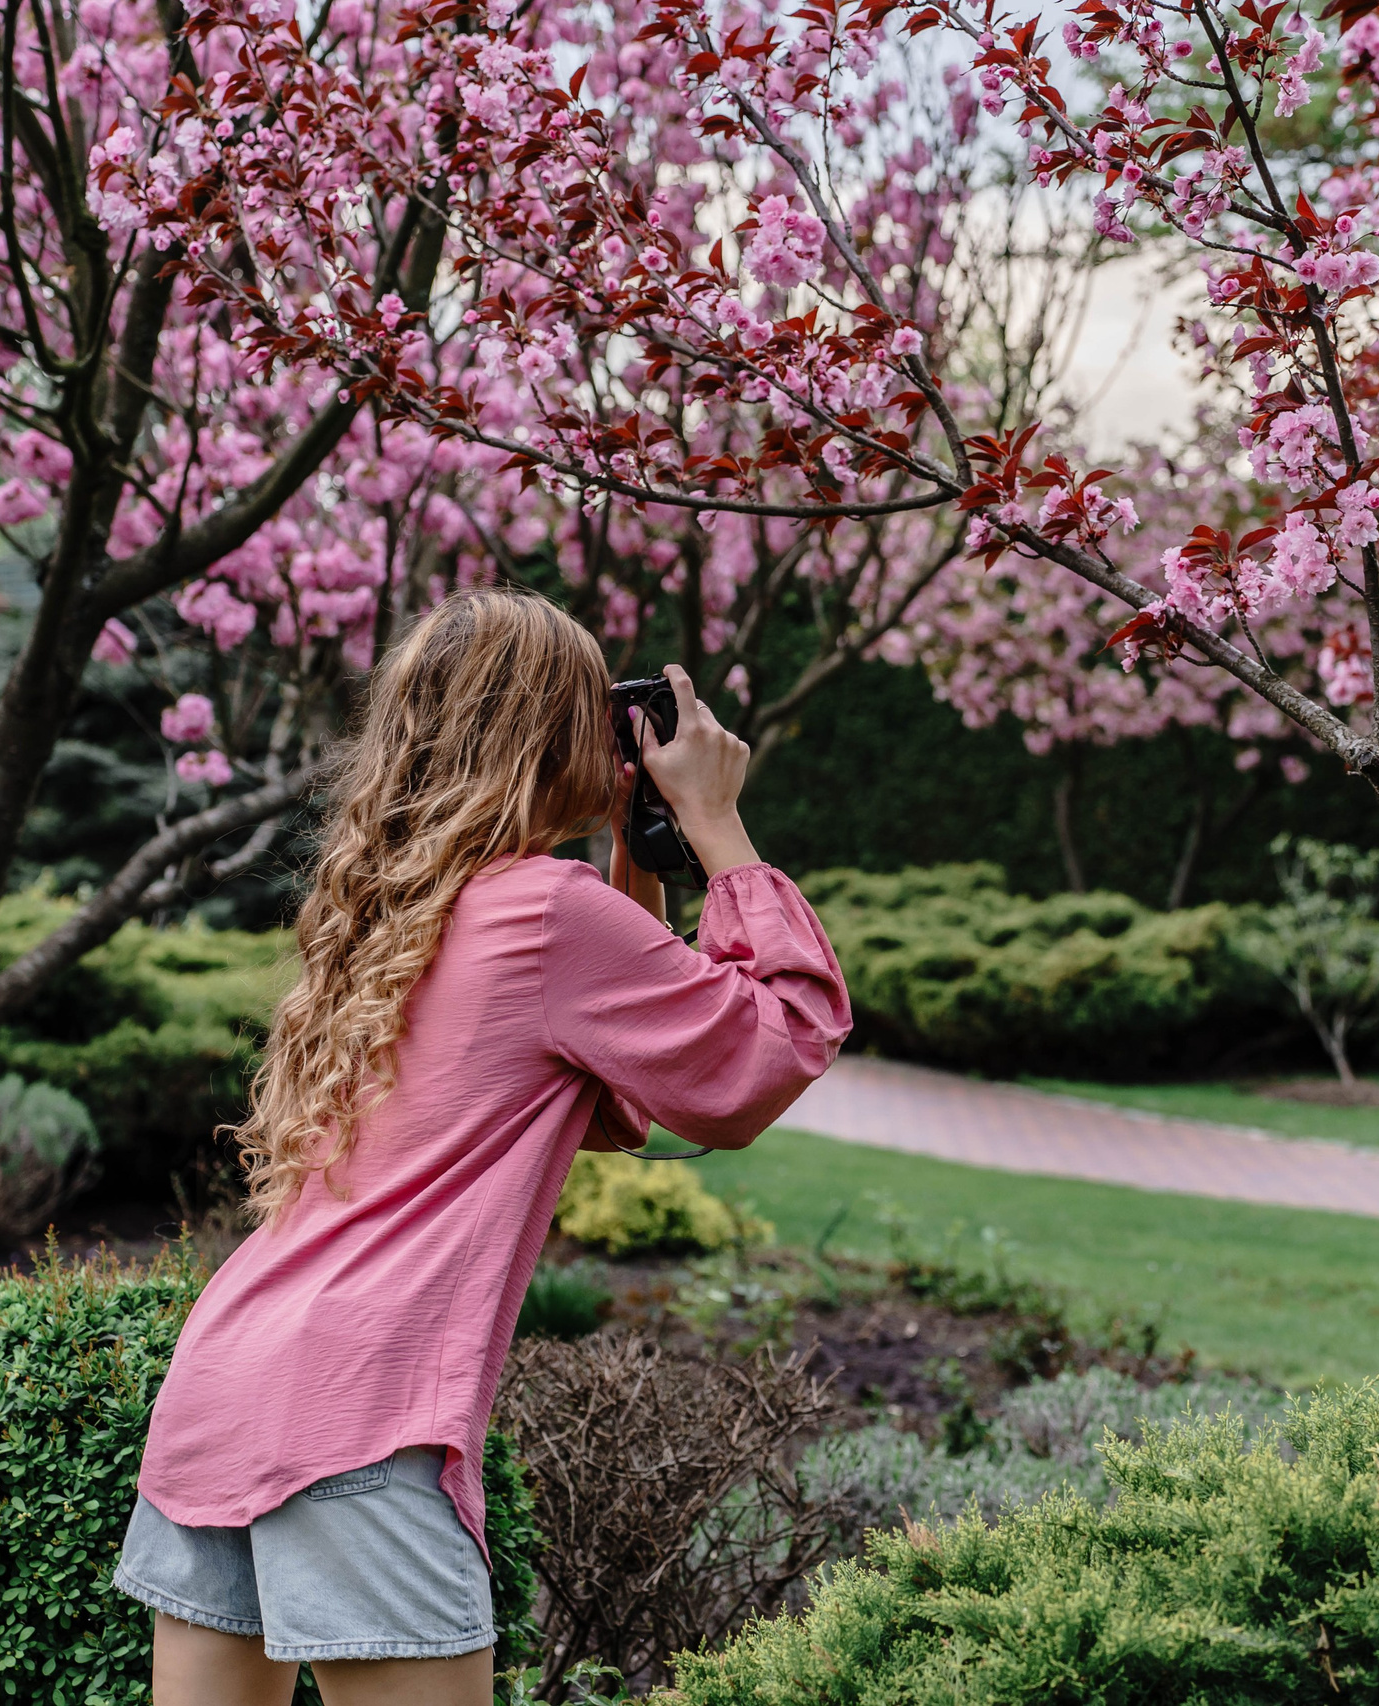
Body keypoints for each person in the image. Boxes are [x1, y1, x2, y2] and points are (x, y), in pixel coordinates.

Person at [111, 588, 851, 1706]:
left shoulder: (386, 906)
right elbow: (761, 1059)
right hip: (359, 1414)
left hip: (228, 1385)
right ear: (559, 735)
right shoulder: (548, 914)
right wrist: (716, 827)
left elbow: (607, 1093)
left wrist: (629, 856)